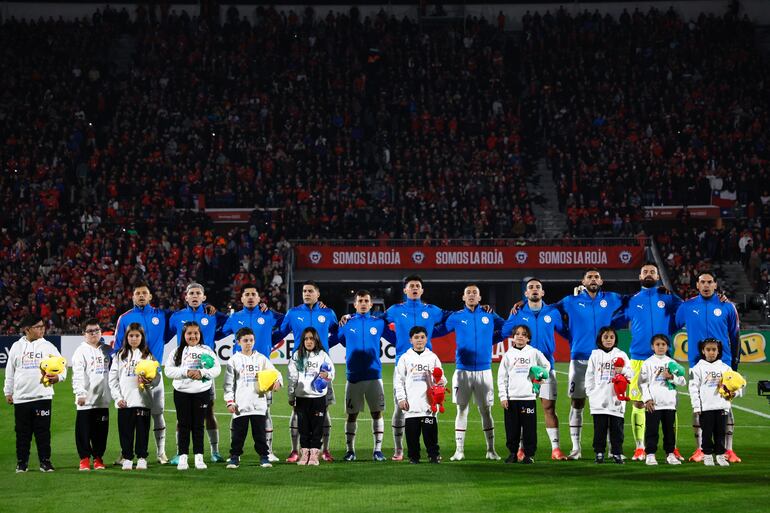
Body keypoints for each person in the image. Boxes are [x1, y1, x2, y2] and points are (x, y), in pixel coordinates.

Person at [554, 268, 626, 460]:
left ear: (601, 281)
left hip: (606, 360)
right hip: (580, 359)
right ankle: (576, 448)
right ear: (583, 282)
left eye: (596, 277)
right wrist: (568, 333)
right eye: (589, 277)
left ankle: (613, 450)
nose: (593, 279)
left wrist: (661, 293)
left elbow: (633, 302)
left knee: (610, 404)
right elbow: (549, 310)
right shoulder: (570, 301)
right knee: (577, 402)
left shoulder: (612, 298)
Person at [616, 263, 684, 462]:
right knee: (638, 403)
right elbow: (615, 319)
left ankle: (673, 448)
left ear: (658, 276)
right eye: (645, 271)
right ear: (640, 276)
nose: (648, 274)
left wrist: (672, 294)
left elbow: (683, 311)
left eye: (652, 272)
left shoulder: (667, 297)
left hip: (664, 359)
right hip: (639, 358)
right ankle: (640, 447)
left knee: (670, 405)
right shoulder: (632, 301)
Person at [380, 275, 451, 461]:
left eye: (417, 286)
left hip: (427, 365)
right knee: (400, 409)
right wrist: (394, 339)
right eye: (411, 286)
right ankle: (398, 450)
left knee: (431, 405)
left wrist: (482, 309)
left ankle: (432, 451)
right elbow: (378, 322)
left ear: (422, 290)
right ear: (405, 290)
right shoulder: (395, 310)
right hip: (404, 364)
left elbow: (451, 319)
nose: (414, 288)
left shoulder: (432, 310)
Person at [674, 272, 741, 463]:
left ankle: (729, 450)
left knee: (726, 405)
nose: (706, 285)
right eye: (702, 282)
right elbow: (672, 325)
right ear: (697, 284)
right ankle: (700, 450)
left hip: (724, 364)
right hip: (697, 364)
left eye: (709, 282)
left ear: (715, 284)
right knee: (699, 407)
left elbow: (735, 336)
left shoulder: (727, 306)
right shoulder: (687, 306)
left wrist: (734, 365)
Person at [502, 278, 568, 460]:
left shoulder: (552, 312)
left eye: (538, 287)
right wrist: (511, 314)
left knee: (549, 408)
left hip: (545, 368)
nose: (534, 290)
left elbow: (564, 331)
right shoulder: (518, 312)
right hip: (523, 370)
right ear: (526, 293)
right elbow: (504, 331)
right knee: (523, 410)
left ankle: (555, 449)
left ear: (543, 292)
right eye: (530, 287)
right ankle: (521, 449)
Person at [274, 280, 338, 462]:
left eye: (310, 291)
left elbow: (337, 332)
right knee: (297, 411)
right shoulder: (293, 313)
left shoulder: (328, 312)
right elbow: (281, 332)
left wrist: (324, 347)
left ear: (318, 294)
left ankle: (324, 450)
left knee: (324, 410)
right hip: (300, 366)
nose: (306, 293)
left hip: (321, 368)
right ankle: (296, 451)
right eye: (304, 291)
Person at [221, 283, 284, 462]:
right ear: (241, 299)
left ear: (258, 298)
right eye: (246, 294)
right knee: (237, 413)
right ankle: (235, 453)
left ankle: (268, 451)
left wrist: (270, 312)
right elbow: (220, 332)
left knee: (265, 413)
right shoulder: (235, 318)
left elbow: (286, 321)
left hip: (262, 371)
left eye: (253, 294)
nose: (250, 297)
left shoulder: (268, 314)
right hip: (240, 373)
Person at [443, 284, 505, 461]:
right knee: (461, 410)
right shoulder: (456, 317)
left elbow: (507, 328)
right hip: (462, 370)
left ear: (479, 298)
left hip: (484, 371)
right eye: (468, 293)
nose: (471, 295)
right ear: (463, 298)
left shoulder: (489, 314)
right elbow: (439, 330)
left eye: (474, 293)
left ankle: (491, 450)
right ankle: (459, 451)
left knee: (486, 411)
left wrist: (490, 339)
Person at [168, 283, 228, 464]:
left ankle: (215, 451)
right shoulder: (177, 317)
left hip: (205, 371)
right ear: (186, 297)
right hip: (186, 369)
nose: (194, 296)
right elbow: (165, 335)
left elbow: (229, 324)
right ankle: (181, 453)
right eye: (191, 293)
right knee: (182, 417)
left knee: (209, 412)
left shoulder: (213, 314)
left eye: (198, 293)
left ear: (203, 297)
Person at [334, 290, 395, 462]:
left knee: (377, 413)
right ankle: (350, 451)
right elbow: (339, 339)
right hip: (353, 375)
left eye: (366, 301)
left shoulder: (379, 323)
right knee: (352, 414)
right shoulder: (346, 322)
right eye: (360, 300)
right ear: (355, 304)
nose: (363, 303)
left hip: (374, 375)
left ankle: (377, 450)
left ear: (370, 304)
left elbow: (396, 339)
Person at [113, 282, 170, 464]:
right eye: (137, 293)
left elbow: (175, 328)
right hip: (130, 377)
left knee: (157, 413)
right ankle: (126, 452)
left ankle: (161, 452)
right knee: (128, 416)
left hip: (154, 374)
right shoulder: (124, 318)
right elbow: (117, 345)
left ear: (150, 296)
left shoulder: (161, 315)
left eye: (144, 293)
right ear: (132, 297)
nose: (141, 296)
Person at [4, 315, 66, 472]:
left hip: (42, 396)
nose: (42, 329)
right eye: (38, 327)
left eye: (42, 326)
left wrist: (59, 377)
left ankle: (45, 462)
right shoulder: (16, 347)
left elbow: (62, 366)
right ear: (27, 330)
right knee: (22, 433)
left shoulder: (48, 346)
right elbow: (10, 371)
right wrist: (8, 391)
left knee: (43, 432)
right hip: (21, 397)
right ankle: (22, 463)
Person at [164, 321, 222, 470]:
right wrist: (186, 372)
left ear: (200, 334)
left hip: (201, 393)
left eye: (196, 333)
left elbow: (217, 369)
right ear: (184, 335)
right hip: (182, 393)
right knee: (183, 424)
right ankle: (183, 456)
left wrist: (202, 373)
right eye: (189, 333)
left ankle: (199, 457)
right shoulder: (177, 351)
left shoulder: (207, 350)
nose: (193, 336)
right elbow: (168, 371)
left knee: (198, 425)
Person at [223, 327, 283, 469]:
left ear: (254, 341)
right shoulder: (234, 360)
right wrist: (229, 401)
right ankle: (234, 457)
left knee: (260, 435)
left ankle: (264, 457)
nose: (248, 343)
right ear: (238, 342)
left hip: (258, 403)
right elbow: (228, 384)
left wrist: (278, 382)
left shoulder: (261, 359)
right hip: (241, 404)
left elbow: (276, 373)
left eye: (251, 340)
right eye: (245, 340)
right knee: (238, 435)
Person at [109, 323, 160, 470]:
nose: (134, 338)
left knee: (143, 431)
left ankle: (142, 457)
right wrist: (118, 398)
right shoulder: (120, 356)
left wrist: (149, 382)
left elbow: (156, 379)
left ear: (142, 337)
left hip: (143, 401)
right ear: (126, 337)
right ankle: (127, 458)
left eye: (137, 336)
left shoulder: (148, 355)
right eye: (131, 335)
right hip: (125, 401)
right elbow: (113, 380)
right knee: (125, 431)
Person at [498, 324, 551, 464]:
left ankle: (529, 455)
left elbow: (547, 366)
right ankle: (512, 453)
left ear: (528, 338)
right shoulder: (508, 355)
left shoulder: (533, 352)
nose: (520, 336)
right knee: (511, 429)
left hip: (528, 397)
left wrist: (540, 378)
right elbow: (501, 378)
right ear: (513, 337)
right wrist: (503, 396)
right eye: (517, 334)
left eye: (524, 334)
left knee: (529, 429)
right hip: (512, 398)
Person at [688, 338, 744, 467]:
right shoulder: (697, 369)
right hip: (705, 408)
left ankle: (720, 455)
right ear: (703, 351)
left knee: (720, 433)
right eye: (708, 349)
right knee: (706, 433)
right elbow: (693, 388)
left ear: (718, 351)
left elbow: (737, 384)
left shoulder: (726, 368)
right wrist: (696, 406)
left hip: (722, 407)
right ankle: (707, 455)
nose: (711, 352)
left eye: (714, 349)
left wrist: (735, 393)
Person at [394, 326, 446, 464]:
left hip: (429, 404)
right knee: (412, 434)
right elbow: (398, 380)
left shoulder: (432, 357)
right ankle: (414, 457)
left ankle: (433, 455)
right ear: (411, 340)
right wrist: (401, 398)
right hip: (411, 403)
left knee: (430, 433)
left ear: (426, 339)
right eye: (416, 338)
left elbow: (441, 377)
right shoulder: (405, 358)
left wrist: (441, 382)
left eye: (422, 337)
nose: (419, 340)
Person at [287, 327, 335, 466]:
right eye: (306, 339)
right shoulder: (297, 355)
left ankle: (314, 454)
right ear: (302, 340)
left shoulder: (322, 355)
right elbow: (292, 377)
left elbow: (331, 371)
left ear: (316, 340)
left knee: (317, 427)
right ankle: (305, 453)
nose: (309, 341)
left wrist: (328, 375)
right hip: (302, 397)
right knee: (303, 427)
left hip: (318, 397)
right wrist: (291, 395)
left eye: (311, 338)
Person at [585, 327, 633, 464]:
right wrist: (591, 393)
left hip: (616, 400)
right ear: (600, 339)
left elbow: (631, 374)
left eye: (611, 337)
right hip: (598, 400)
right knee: (599, 429)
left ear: (615, 339)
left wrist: (622, 370)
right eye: (605, 337)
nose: (608, 340)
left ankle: (617, 453)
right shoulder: (595, 355)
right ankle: (599, 453)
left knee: (617, 429)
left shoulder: (621, 354)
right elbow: (589, 375)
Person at [638, 334, 685, 466]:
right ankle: (650, 454)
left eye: (663, 344)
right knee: (652, 430)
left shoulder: (672, 363)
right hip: (654, 404)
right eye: (657, 344)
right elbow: (642, 384)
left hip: (669, 404)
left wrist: (671, 377)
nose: (660, 347)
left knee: (669, 431)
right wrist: (647, 400)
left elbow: (682, 381)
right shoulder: (648, 363)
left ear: (668, 346)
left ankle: (670, 454)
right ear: (652, 347)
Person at [72, 318, 112, 471]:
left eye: (97, 330)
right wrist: (80, 393)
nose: (94, 333)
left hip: (102, 400)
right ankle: (84, 459)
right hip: (86, 401)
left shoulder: (107, 349)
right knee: (84, 432)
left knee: (101, 432)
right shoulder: (80, 351)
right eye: (90, 331)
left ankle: (98, 458)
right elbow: (77, 375)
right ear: (84, 334)